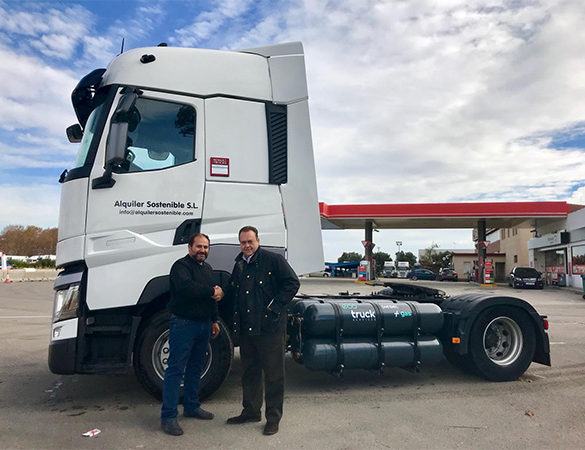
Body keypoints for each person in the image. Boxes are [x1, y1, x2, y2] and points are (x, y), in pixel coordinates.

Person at [226, 226, 300, 435]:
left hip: (270, 329)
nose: (246, 246)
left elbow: (292, 283)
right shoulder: (239, 264)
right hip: (248, 330)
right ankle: (250, 411)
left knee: (274, 375)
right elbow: (234, 292)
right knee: (249, 372)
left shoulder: (273, 260)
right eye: (243, 242)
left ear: (257, 240)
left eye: (250, 241)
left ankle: (273, 418)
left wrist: (275, 307)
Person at [160, 233, 223, 436]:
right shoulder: (180, 267)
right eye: (199, 246)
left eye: (205, 247)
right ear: (189, 247)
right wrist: (212, 291)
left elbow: (210, 299)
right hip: (183, 324)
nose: (202, 250)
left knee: (195, 367)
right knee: (175, 369)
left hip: (204, 324)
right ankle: (168, 417)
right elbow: (186, 288)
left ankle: (191, 406)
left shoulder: (207, 269)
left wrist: (214, 320)